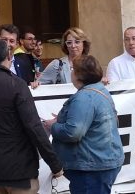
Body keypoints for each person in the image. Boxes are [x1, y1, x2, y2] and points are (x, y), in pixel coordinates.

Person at [0, 39, 64, 193]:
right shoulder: (16, 84)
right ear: (9, 57)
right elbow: (34, 127)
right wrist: (55, 165)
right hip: (19, 170)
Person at [45, 56, 123, 194]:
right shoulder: (100, 90)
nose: (71, 72)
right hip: (99, 163)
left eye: (73, 69)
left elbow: (73, 132)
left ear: (79, 75)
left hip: (91, 167)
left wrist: (52, 126)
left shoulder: (84, 97)